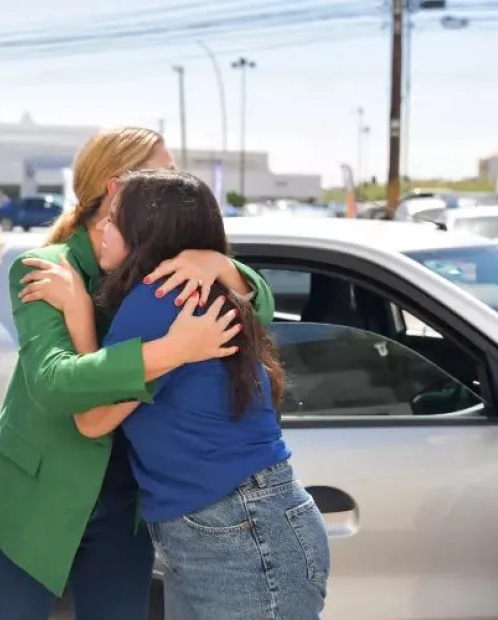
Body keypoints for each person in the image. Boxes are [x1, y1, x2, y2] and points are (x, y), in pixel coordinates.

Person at [0, 126, 277, 620]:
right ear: (118, 188)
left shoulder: (168, 264)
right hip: (33, 497)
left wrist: (216, 260)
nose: (178, 181)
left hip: (124, 503)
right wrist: (171, 349)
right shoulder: (46, 268)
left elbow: (258, 309)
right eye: (165, 171)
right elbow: (53, 384)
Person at [32, 169, 330, 619]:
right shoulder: (201, 292)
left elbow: (92, 418)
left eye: (114, 220)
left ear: (146, 233)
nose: (102, 229)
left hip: (241, 533)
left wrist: (77, 311)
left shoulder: (157, 300)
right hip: (239, 524)